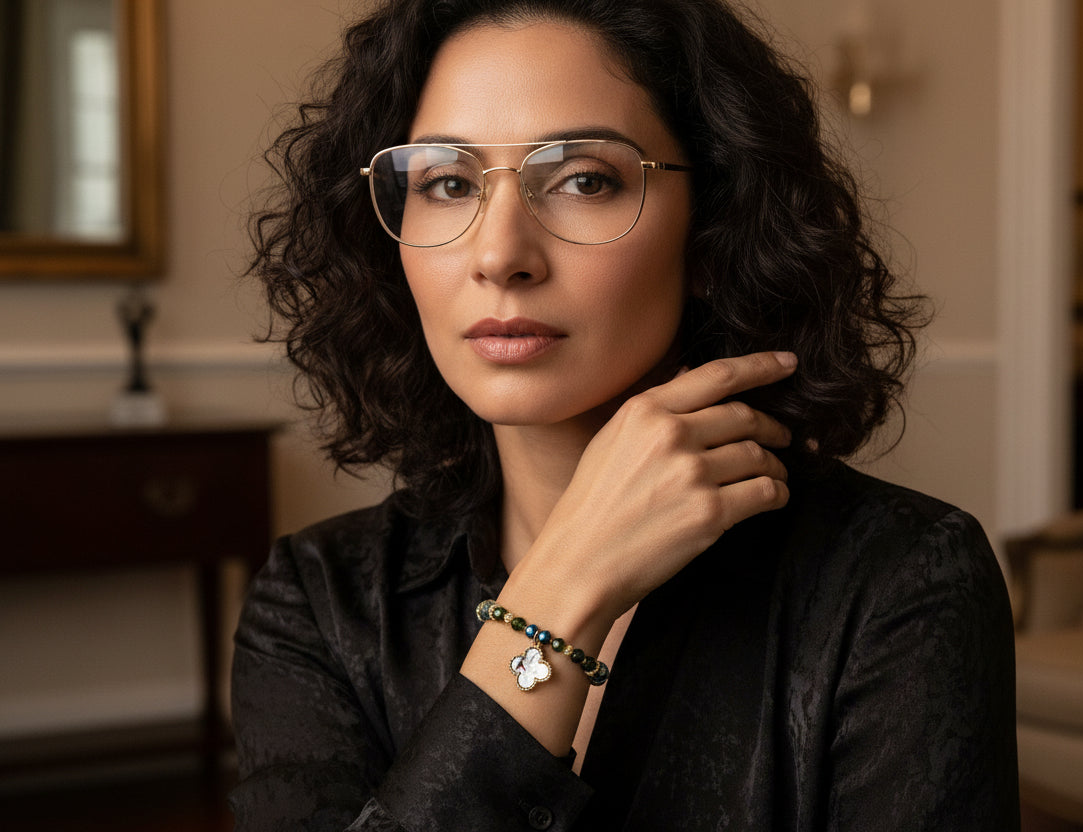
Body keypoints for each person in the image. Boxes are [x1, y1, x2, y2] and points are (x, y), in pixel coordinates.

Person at [230, 0, 1019, 829]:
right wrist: (560, 597)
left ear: (712, 232)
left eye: (583, 180)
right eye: (448, 182)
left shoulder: (903, 583)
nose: (499, 255)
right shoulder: (319, 601)